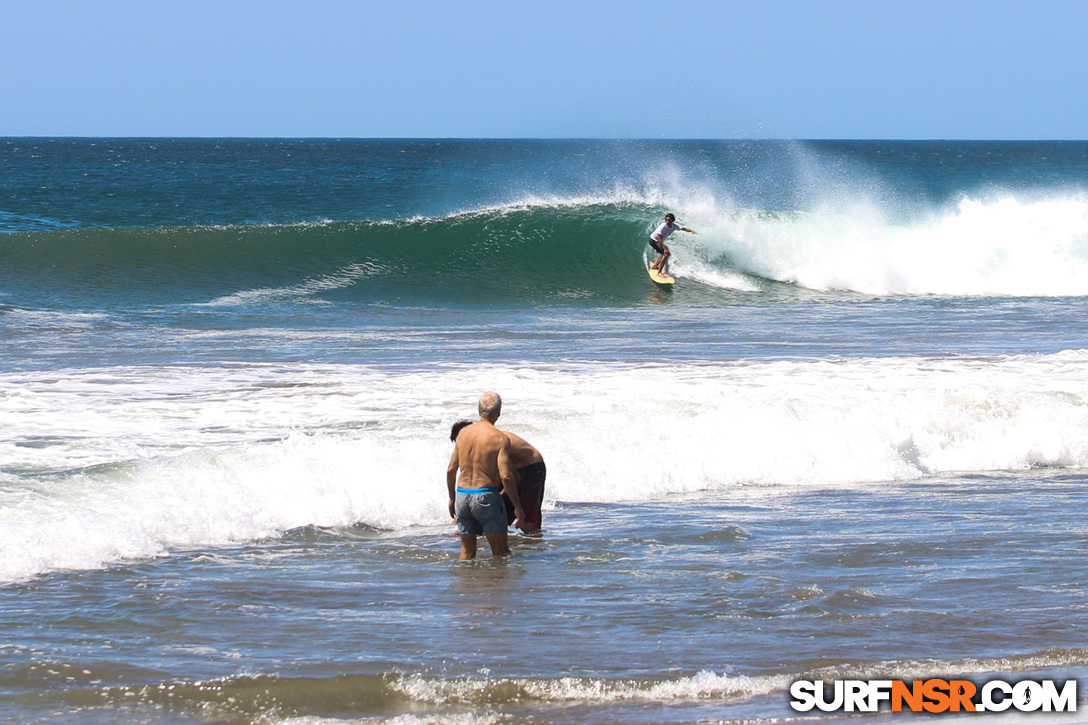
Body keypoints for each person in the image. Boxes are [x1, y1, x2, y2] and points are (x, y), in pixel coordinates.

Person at [446, 392, 525, 559]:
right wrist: (518, 507)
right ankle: (494, 585)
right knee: (500, 553)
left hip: (462, 494)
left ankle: (466, 583)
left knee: (467, 553)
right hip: (485, 496)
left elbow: (451, 470)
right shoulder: (500, 438)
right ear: (499, 412)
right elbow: (506, 476)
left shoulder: (463, 433)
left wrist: (452, 499)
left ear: (479, 410)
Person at [451, 421, 546, 535]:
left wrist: (513, 504)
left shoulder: (492, 441)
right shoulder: (476, 447)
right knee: (488, 514)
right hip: (512, 472)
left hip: (532, 468)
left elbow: (512, 477)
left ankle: (537, 549)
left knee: (527, 523)